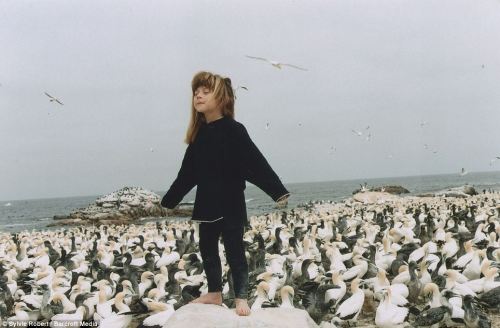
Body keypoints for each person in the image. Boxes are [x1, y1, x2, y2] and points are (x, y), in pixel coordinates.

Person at [161, 71, 290, 316]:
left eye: (205, 91)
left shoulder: (234, 130)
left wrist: (277, 191)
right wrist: (170, 200)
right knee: (207, 249)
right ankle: (215, 292)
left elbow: (255, 162)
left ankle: (241, 296)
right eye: (195, 92)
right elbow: (187, 174)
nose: (198, 95)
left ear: (221, 98)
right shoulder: (198, 136)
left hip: (231, 201)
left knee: (234, 250)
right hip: (206, 203)